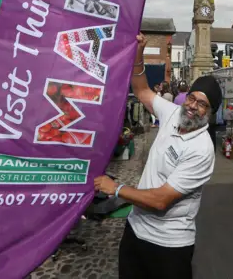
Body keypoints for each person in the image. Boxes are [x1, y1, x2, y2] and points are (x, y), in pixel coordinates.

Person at [94, 34, 221, 279]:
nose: (193, 106)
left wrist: (116, 188)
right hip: (136, 230)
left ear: (210, 112)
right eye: (192, 98)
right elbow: (141, 90)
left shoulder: (202, 150)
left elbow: (160, 200)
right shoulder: (172, 113)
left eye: (202, 104)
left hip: (169, 245)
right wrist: (139, 52)